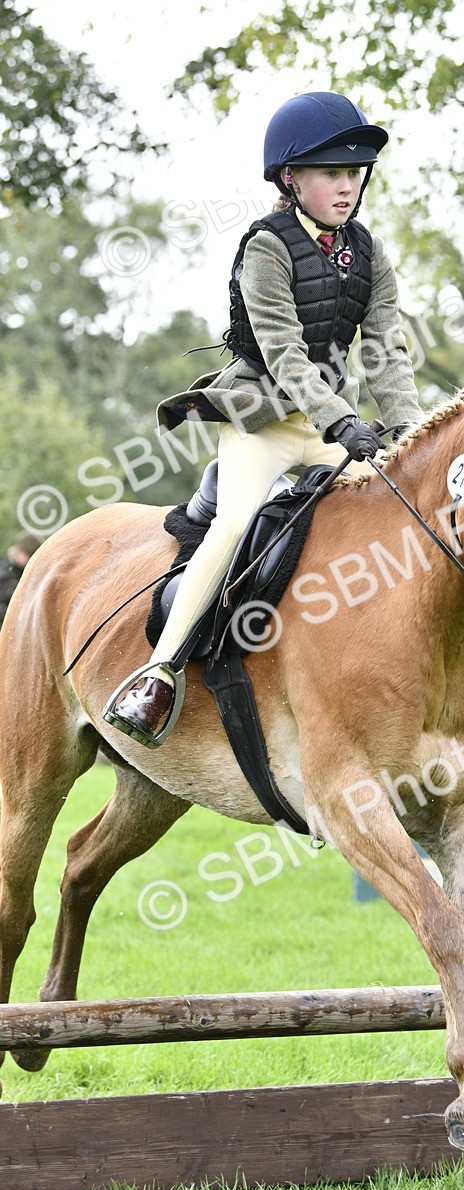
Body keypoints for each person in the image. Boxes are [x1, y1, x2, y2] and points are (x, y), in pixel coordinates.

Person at [104, 91, 424, 748]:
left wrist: (413, 436)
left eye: (354, 173)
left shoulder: (368, 251)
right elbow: (284, 355)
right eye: (332, 172)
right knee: (231, 529)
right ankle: (158, 674)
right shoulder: (267, 249)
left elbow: (387, 349)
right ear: (290, 179)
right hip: (262, 422)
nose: (347, 185)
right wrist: (343, 423)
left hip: (331, 425)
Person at [0, 531, 41, 628]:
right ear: (19, 552)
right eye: (29, 555)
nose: (32, 559)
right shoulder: (5, 574)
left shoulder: (31, 572)